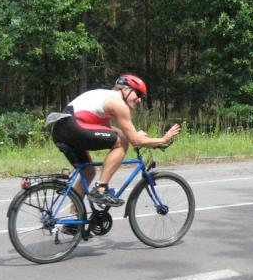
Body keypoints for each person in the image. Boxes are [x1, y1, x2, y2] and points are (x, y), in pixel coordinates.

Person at [50, 74, 181, 206]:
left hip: (62, 130)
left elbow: (112, 131)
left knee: (88, 171)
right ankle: (101, 189)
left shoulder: (106, 98)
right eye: (138, 94)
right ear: (125, 89)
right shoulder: (118, 103)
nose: (139, 100)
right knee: (121, 143)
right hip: (72, 127)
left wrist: (138, 136)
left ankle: (74, 216)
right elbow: (134, 141)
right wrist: (163, 139)